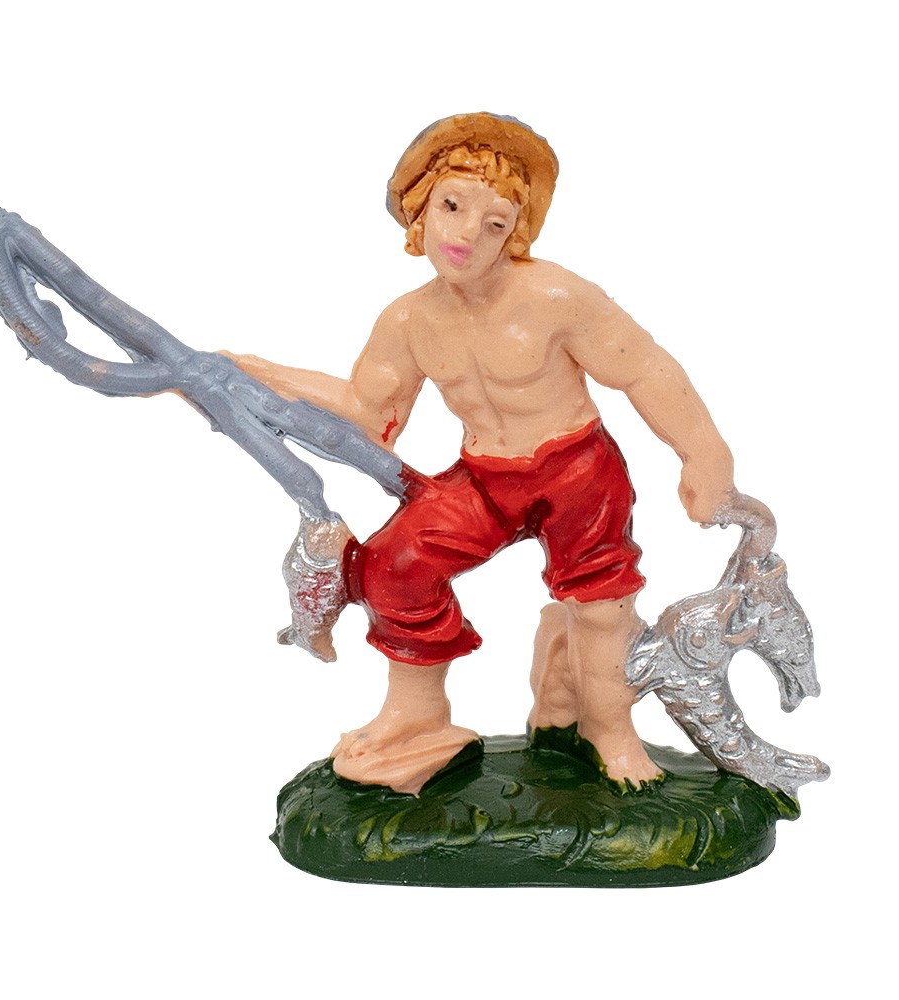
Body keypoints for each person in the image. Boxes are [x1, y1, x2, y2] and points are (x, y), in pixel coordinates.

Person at [226, 113, 736, 794]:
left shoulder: (555, 296)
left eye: (494, 223)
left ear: (515, 233)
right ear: (419, 209)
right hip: (485, 478)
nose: (466, 234)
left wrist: (704, 454)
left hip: (577, 470)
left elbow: (643, 368)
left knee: (601, 602)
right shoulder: (409, 319)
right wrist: (248, 375)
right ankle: (418, 718)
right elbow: (371, 413)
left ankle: (608, 730)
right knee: (396, 565)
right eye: (451, 206)